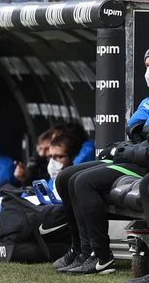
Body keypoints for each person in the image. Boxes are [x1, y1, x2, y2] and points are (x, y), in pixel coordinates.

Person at [52, 50, 149, 275]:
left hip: (141, 166)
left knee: (83, 182)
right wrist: (131, 145)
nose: (147, 72)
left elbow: (142, 148)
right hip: (135, 158)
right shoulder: (147, 101)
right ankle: (81, 250)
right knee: (66, 177)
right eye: (146, 65)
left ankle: (100, 256)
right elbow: (135, 130)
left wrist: (126, 149)